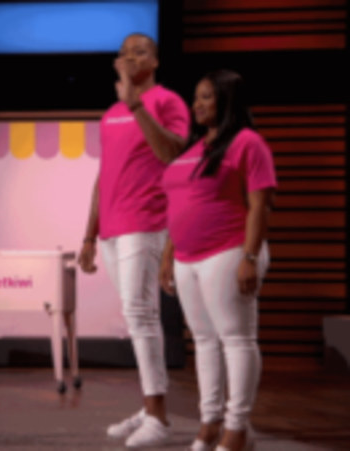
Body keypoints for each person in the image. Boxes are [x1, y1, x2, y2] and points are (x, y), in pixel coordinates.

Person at [78, 33, 190, 448]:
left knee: (141, 314)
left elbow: (171, 153)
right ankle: (149, 407)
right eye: (125, 53)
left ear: (155, 62)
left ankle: (158, 418)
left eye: (140, 52)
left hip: (145, 221)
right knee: (137, 317)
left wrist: (137, 105)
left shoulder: (168, 102)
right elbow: (104, 174)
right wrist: (89, 234)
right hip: (110, 228)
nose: (131, 57)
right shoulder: (110, 114)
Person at [159, 70, 276, 451]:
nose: (196, 104)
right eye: (196, 97)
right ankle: (209, 424)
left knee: (237, 339)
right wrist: (168, 255)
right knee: (204, 341)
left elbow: (260, 205)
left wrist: (250, 257)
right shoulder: (195, 148)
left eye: (206, 97)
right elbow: (179, 206)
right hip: (186, 257)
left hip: (228, 251)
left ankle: (236, 429)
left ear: (227, 100)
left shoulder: (248, 143)